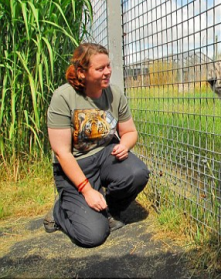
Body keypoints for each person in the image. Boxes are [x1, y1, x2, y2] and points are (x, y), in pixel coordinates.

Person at [43, 43, 150, 248]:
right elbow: (62, 152)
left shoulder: (114, 94)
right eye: (100, 68)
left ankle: (108, 209)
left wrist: (125, 145)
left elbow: (130, 132)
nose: (107, 72)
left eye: (108, 66)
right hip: (75, 166)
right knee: (93, 236)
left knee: (138, 173)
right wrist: (86, 190)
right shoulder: (63, 97)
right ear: (82, 72)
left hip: (105, 156)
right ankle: (61, 211)